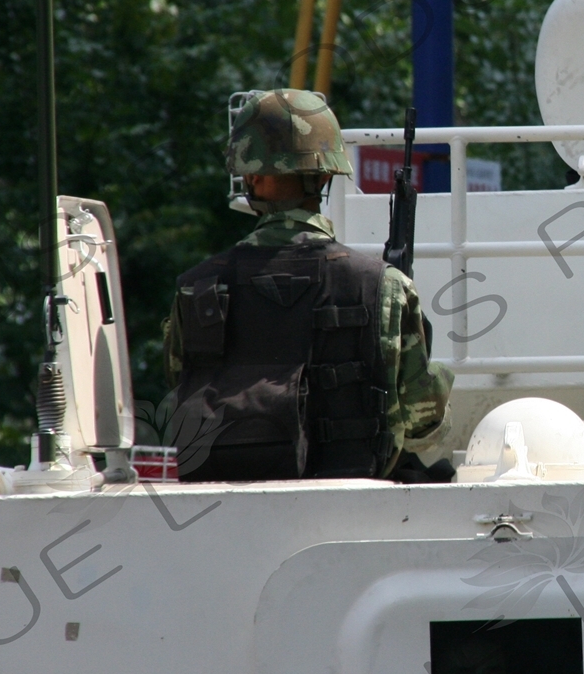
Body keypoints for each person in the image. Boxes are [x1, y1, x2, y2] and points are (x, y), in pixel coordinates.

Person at [162, 89, 452, 482]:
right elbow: (422, 419)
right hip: (352, 493)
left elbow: (181, 385)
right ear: (328, 174)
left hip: (220, 501)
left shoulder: (196, 289)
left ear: (250, 176)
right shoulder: (384, 287)